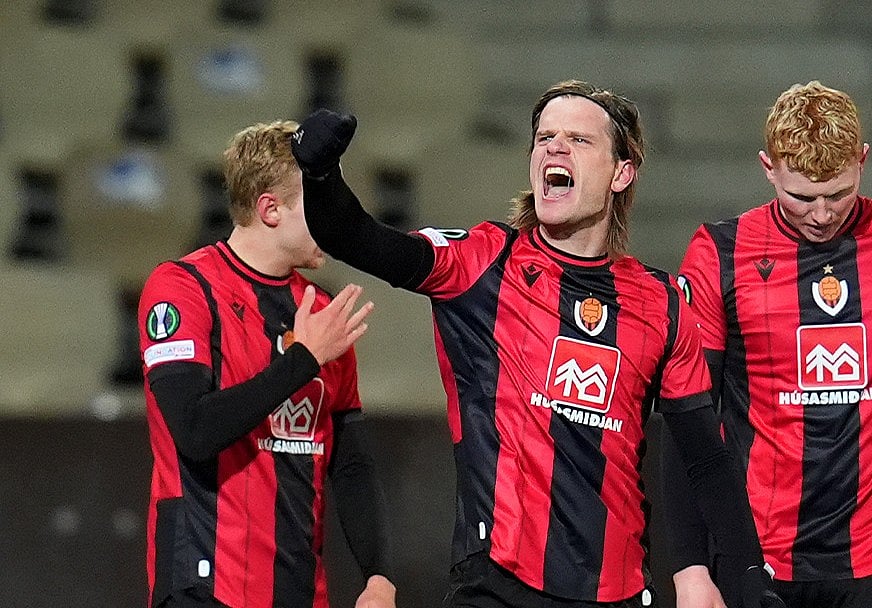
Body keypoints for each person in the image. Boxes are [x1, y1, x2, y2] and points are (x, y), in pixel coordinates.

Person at [290, 81, 783, 608]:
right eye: (545, 136)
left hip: (616, 593)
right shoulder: (481, 264)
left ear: (621, 173)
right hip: (496, 586)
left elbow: (705, 461)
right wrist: (320, 176)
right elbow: (356, 237)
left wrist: (752, 583)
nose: (554, 147)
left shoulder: (662, 303)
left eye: (578, 139)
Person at [665, 80, 872, 608]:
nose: (821, 213)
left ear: (863, 161)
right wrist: (689, 568)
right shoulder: (717, 255)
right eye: (801, 197)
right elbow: (692, 421)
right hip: (759, 569)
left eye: (838, 194)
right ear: (767, 168)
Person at [138, 120, 396, 608]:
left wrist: (378, 575)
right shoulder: (181, 288)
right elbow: (194, 431)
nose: (335, 218)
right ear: (270, 209)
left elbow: (352, 461)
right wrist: (304, 358)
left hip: (301, 592)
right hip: (203, 588)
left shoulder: (322, 311)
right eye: (319, 203)